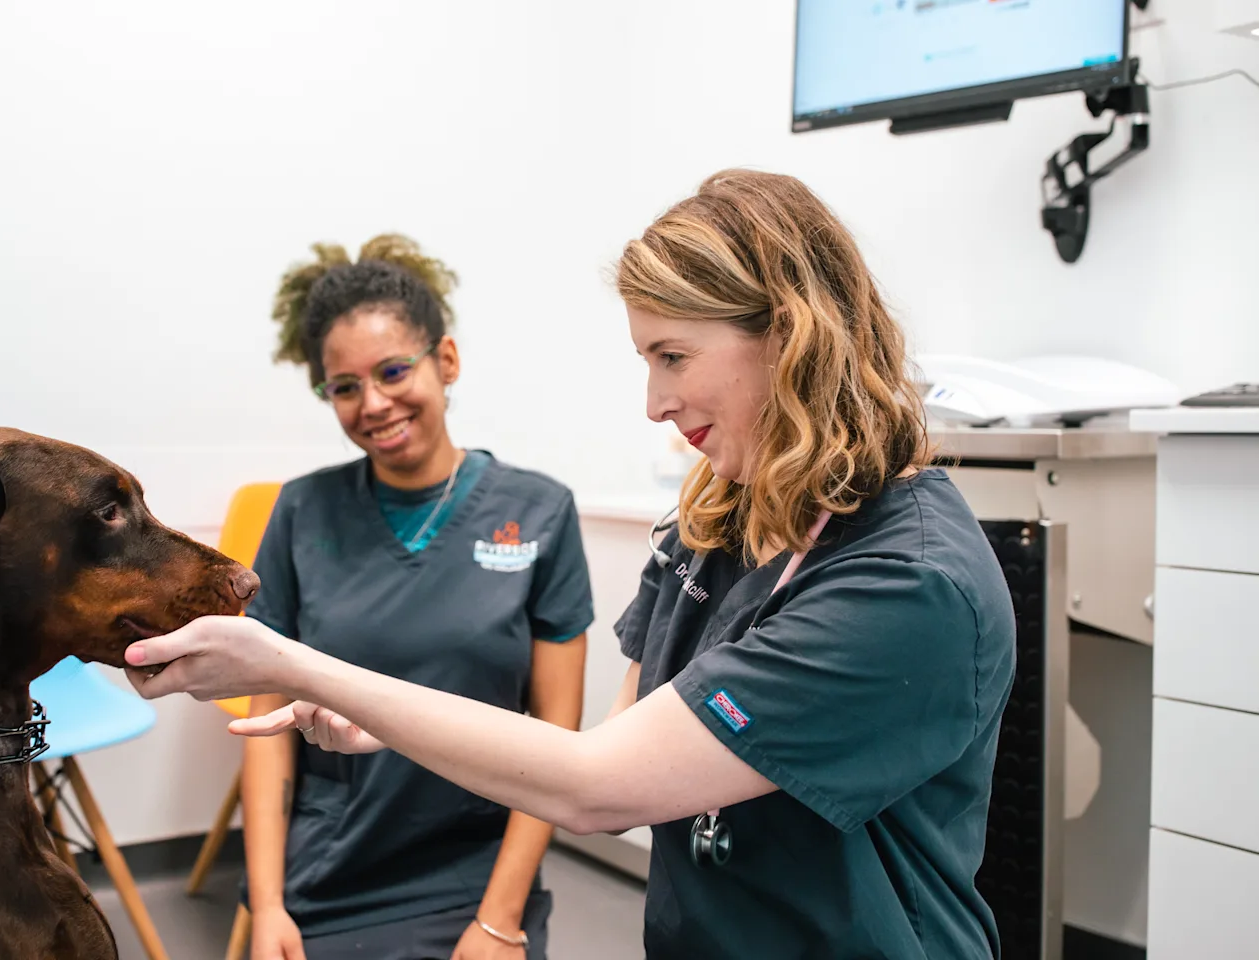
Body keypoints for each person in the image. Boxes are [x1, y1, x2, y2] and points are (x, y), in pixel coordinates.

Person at [129, 171, 1016, 958]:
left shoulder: (908, 585)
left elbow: (598, 790)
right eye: (646, 360)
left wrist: (288, 663)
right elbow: (611, 756)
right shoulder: (725, 514)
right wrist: (384, 718)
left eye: (673, 356)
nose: (654, 402)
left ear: (790, 335)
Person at [235, 235, 594, 960]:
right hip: (329, 870)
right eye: (344, 387)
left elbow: (557, 741)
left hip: (476, 869)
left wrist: (498, 922)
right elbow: (267, 735)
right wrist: (268, 906)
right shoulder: (302, 513)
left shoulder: (541, 511)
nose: (373, 404)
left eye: (394, 370)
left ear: (446, 361)